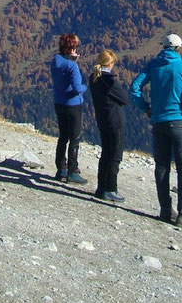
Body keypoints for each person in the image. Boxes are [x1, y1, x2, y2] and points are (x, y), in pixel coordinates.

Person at [130, 32, 182, 227]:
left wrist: (146, 109)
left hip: (159, 122)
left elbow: (134, 88)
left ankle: (165, 210)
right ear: (179, 49)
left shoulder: (153, 65)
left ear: (163, 47)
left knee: (162, 166)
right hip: (179, 123)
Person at [89, 49, 129, 202]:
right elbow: (125, 99)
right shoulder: (109, 80)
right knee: (115, 156)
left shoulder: (94, 77)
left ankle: (101, 187)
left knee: (106, 153)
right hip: (115, 121)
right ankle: (111, 189)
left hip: (102, 120)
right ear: (110, 63)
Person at [50, 33, 88, 184]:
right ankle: (73, 171)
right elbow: (78, 88)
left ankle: (61, 170)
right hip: (73, 104)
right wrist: (87, 86)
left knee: (63, 137)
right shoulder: (72, 66)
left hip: (59, 102)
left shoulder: (55, 61)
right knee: (75, 137)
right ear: (72, 48)